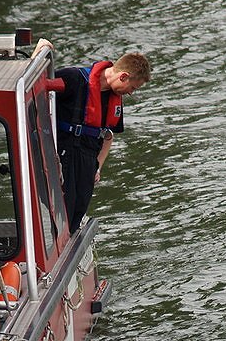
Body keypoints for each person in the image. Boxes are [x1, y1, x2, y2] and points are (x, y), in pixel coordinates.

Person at [36, 40, 151, 231]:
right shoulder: (74, 79)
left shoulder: (115, 98)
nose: (131, 93)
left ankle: (70, 241)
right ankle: (57, 242)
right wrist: (39, 52)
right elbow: (35, 87)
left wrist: (98, 166)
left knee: (80, 206)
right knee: (65, 204)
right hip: (64, 152)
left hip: (88, 158)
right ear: (123, 77)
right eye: (133, 88)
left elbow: (108, 136)